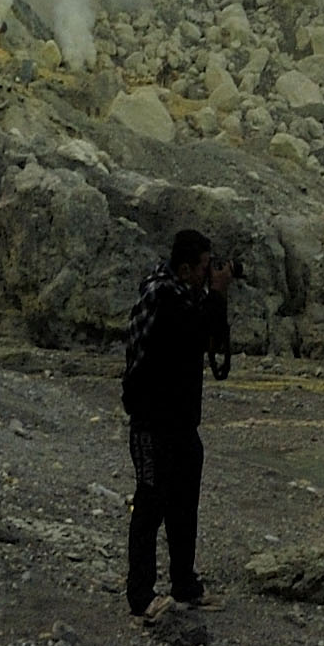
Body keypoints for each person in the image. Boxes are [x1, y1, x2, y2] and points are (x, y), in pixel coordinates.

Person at [122, 228, 235, 620]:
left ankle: (184, 585)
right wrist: (217, 295)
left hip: (181, 422)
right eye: (206, 267)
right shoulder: (162, 296)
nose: (210, 273)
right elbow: (191, 331)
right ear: (186, 268)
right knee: (150, 504)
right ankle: (140, 596)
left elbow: (211, 338)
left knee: (184, 505)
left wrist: (216, 296)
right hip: (152, 422)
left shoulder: (185, 295)